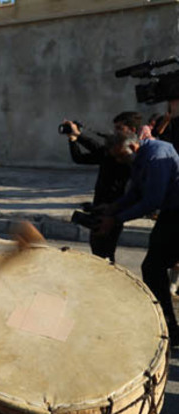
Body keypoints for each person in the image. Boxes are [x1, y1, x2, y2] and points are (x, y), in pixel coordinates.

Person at [97, 132, 179, 344]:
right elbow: (136, 193)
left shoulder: (156, 155)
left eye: (121, 156)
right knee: (154, 267)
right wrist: (114, 208)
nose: (119, 161)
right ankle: (169, 326)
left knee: (153, 267)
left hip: (176, 214)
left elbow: (152, 200)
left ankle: (169, 325)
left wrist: (115, 220)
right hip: (171, 215)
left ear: (133, 147)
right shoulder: (141, 158)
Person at [63, 112, 143, 261]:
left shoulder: (129, 154)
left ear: (131, 130)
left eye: (119, 128)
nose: (115, 133)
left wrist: (79, 136)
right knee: (98, 249)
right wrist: (73, 139)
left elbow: (100, 149)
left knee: (105, 250)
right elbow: (80, 158)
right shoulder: (112, 151)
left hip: (115, 205)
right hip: (100, 203)